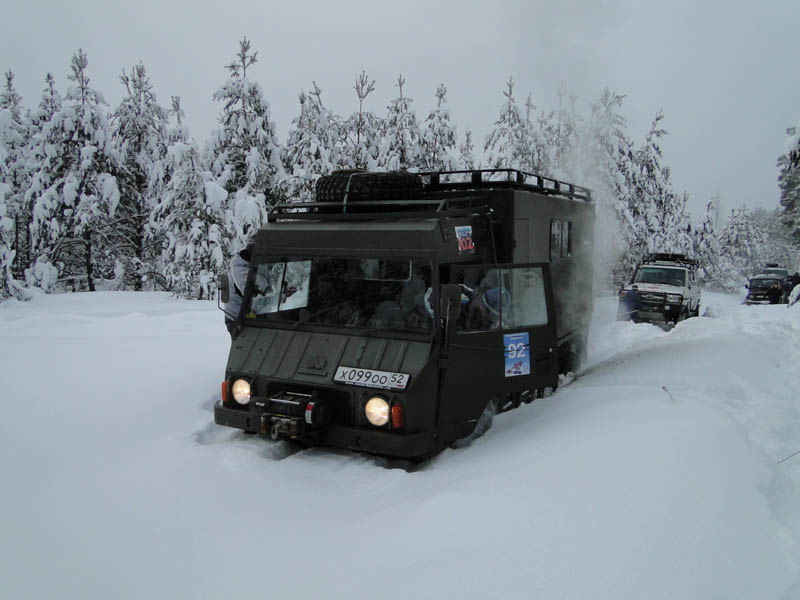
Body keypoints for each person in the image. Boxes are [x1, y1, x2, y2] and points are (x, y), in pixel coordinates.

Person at [224, 246, 252, 335]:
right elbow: (250, 293)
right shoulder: (240, 269)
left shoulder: (248, 267)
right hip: (237, 318)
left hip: (246, 315)